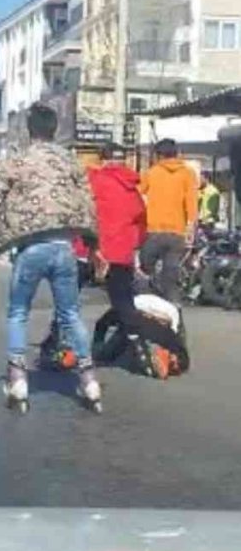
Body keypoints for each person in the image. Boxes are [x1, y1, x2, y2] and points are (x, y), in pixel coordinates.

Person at [0, 101, 100, 411]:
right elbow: (88, 204)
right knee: (70, 314)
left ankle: (18, 377)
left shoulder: (18, 160)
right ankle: (89, 379)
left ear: (28, 129)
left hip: (31, 248)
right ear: (55, 129)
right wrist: (92, 242)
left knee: (18, 312)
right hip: (64, 249)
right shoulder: (72, 162)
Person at [90, 143, 187, 379]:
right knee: (157, 286)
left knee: (72, 302)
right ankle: (163, 336)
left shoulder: (97, 180)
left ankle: (66, 349)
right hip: (162, 239)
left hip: (99, 250)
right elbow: (140, 220)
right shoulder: (136, 185)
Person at [140, 139, 197, 303]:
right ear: (176, 153)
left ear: (158, 155)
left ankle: (148, 308)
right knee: (171, 277)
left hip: (154, 231)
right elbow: (191, 203)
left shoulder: (152, 173)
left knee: (145, 271)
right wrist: (190, 229)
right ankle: (175, 313)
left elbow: (137, 194)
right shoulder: (188, 173)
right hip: (177, 233)